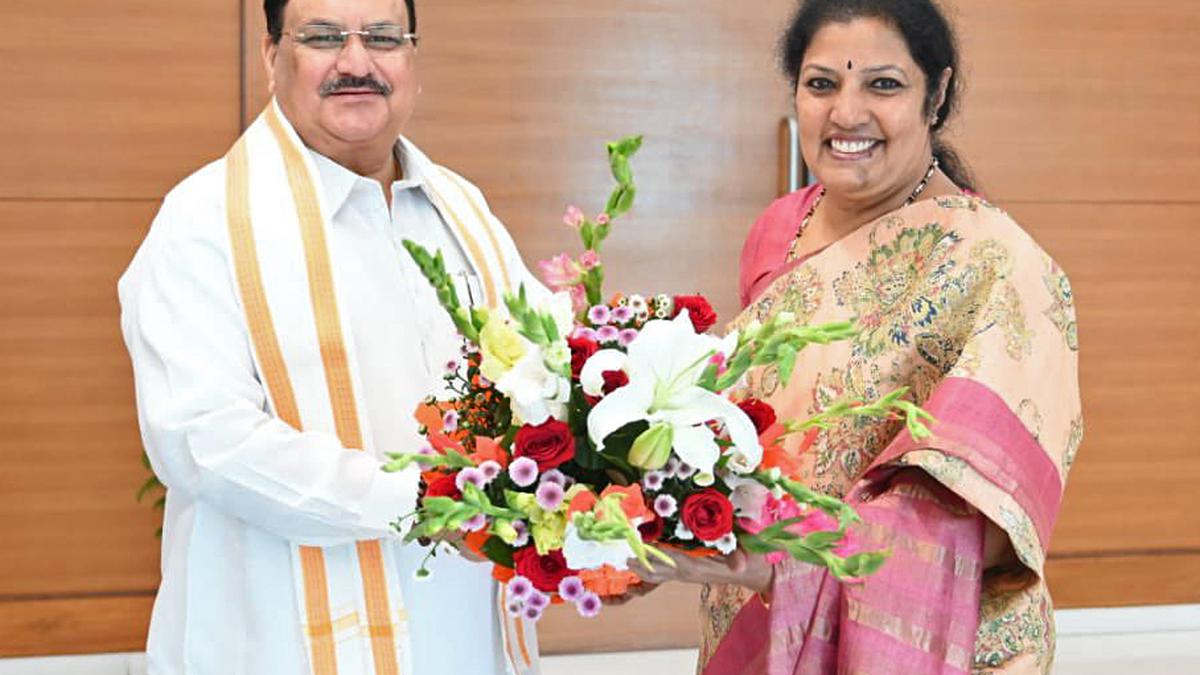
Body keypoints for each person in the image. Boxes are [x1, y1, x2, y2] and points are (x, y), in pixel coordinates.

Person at [631, 1, 1081, 673]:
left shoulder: (999, 266)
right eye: (822, 84)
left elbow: (988, 526)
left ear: (939, 94)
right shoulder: (779, 228)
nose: (846, 113)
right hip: (758, 626)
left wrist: (779, 557)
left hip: (931, 645)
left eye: (883, 84)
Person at [119, 1, 544, 673]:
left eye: (381, 38)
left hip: (464, 637)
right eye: (322, 38)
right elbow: (205, 440)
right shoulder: (205, 222)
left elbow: (546, 369)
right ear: (271, 57)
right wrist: (427, 501)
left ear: (413, 59)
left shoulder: (463, 211)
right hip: (275, 645)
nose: (356, 63)